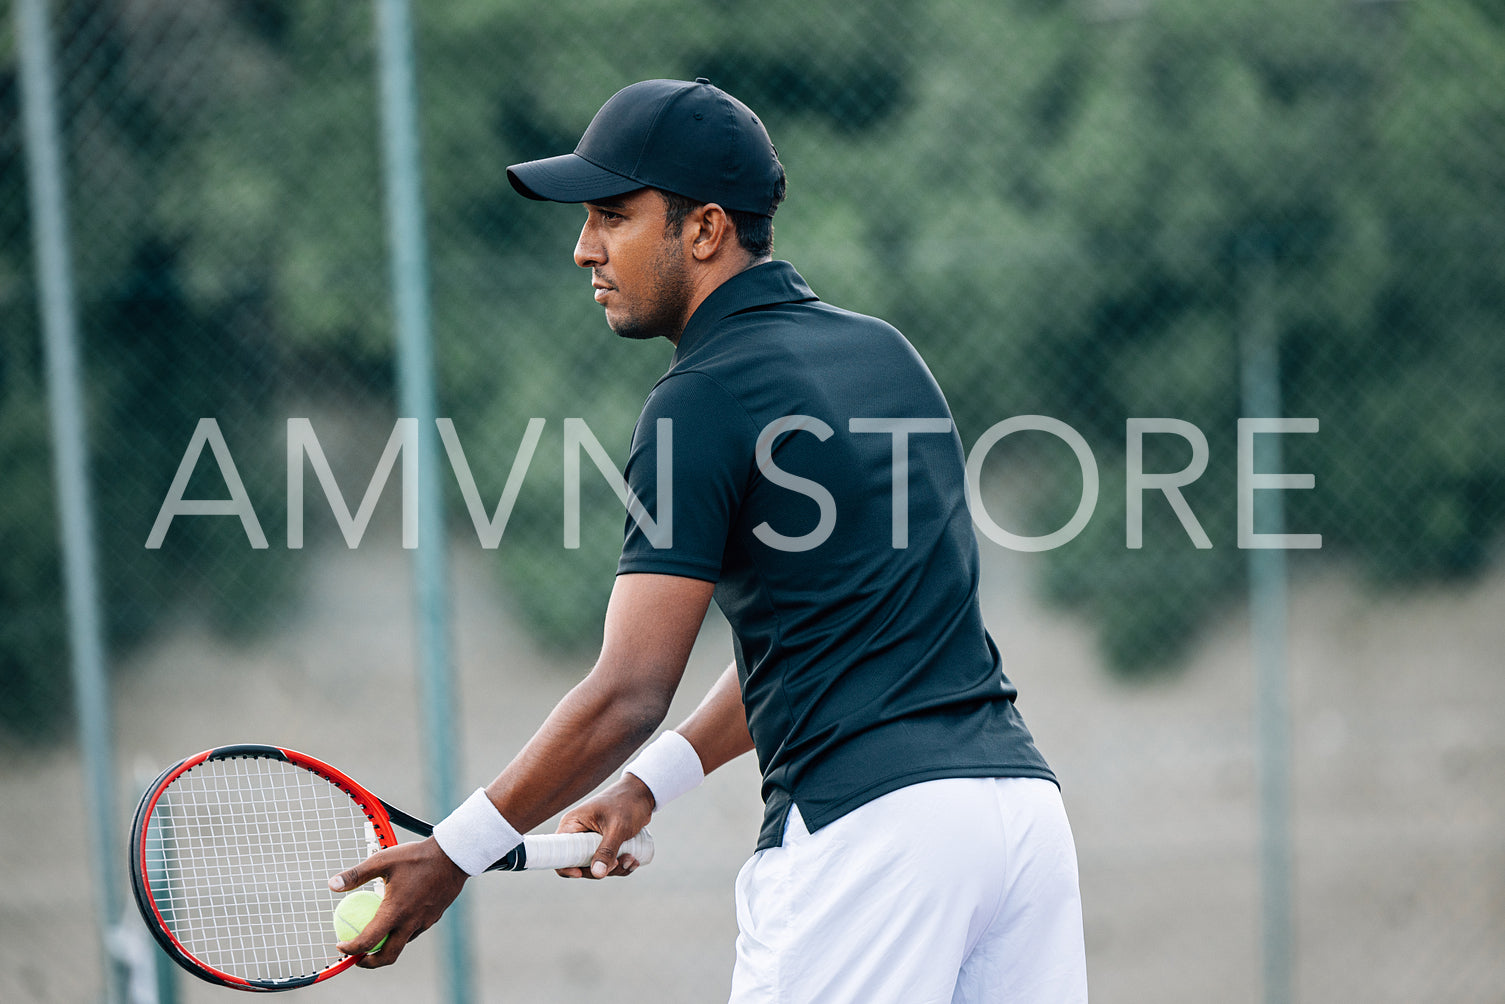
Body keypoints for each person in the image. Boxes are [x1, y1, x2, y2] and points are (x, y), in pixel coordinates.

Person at [329, 77, 1088, 1002]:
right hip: (1018, 824)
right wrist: (649, 784)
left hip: (870, 842)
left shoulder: (698, 401)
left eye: (612, 214)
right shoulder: (886, 355)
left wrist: (452, 855)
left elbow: (627, 691)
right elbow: (822, 632)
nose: (583, 248)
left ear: (704, 230)